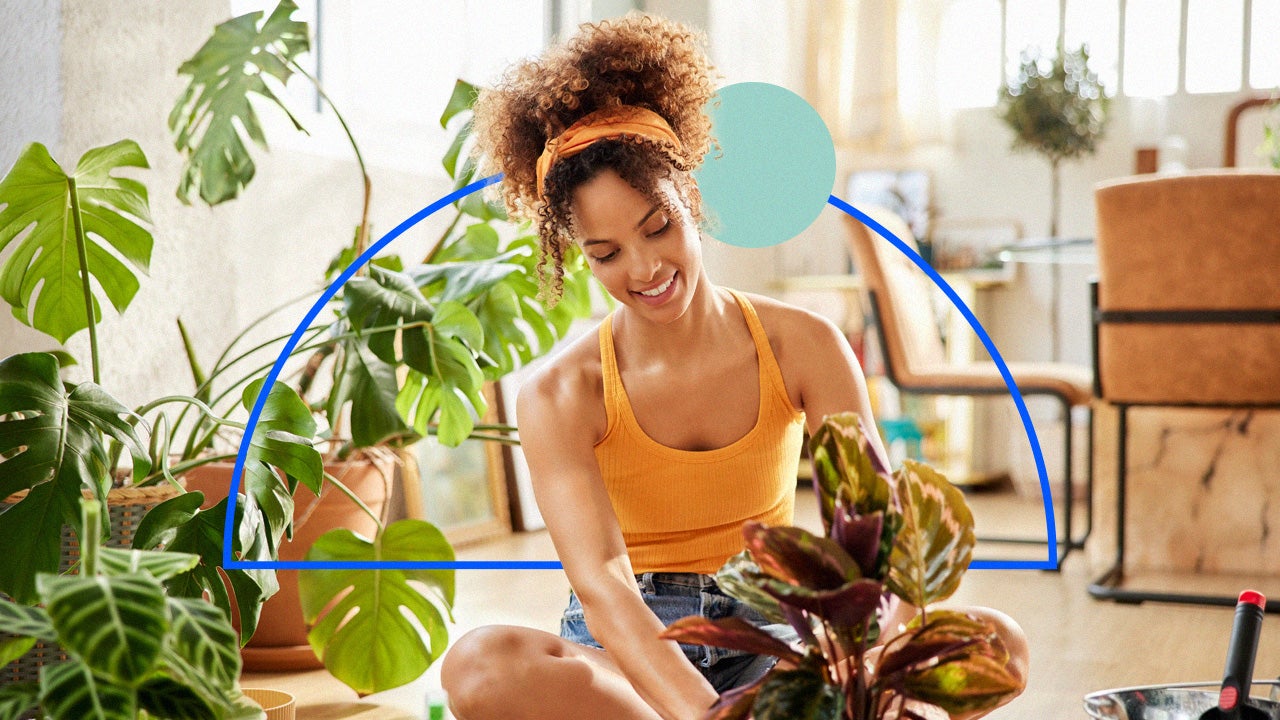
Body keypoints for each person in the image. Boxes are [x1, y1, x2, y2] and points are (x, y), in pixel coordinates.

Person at [440, 12, 1027, 720]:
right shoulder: (562, 392)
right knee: (480, 666)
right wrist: (701, 712)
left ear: (690, 197)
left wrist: (868, 672)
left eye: (657, 226)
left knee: (998, 644)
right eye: (607, 253)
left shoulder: (801, 345)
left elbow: (878, 533)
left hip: (775, 640)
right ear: (578, 253)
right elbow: (601, 582)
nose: (646, 268)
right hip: (629, 661)